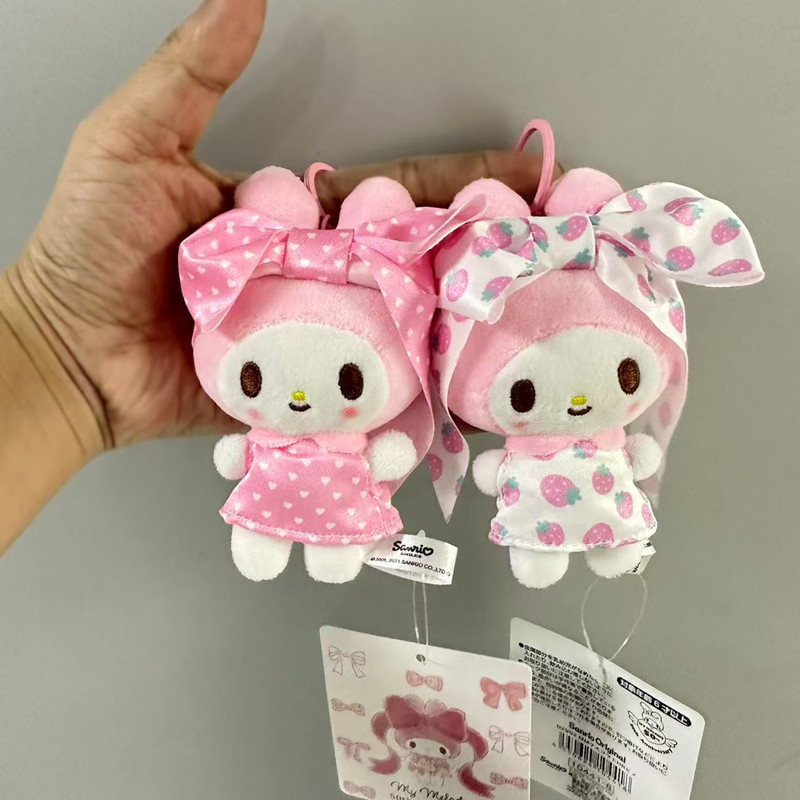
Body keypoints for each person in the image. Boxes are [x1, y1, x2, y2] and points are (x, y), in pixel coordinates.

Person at [0, 0, 555, 553]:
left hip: (348, 503)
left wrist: (44, 345)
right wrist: (45, 338)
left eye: (351, 383)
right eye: (252, 380)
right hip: (274, 501)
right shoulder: (276, 269)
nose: (297, 399)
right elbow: (242, 455)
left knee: (334, 557)